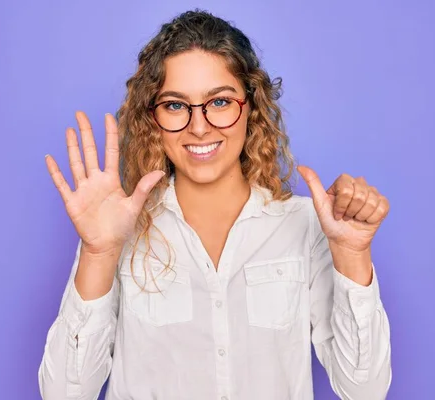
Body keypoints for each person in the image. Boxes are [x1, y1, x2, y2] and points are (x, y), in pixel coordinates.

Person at [38, 9, 392, 400]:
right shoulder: (118, 229)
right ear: (152, 118)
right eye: (175, 105)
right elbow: (63, 394)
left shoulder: (307, 226)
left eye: (219, 101)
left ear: (251, 107)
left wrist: (353, 255)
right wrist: (99, 253)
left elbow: (365, 390)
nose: (200, 126)